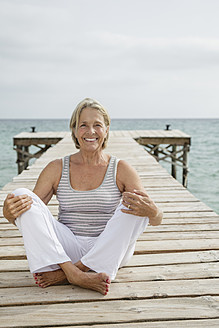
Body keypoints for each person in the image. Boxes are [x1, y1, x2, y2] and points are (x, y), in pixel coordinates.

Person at [3, 98, 163, 296]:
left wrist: (154, 212)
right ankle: (75, 273)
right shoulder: (57, 168)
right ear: (74, 130)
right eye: (83, 125)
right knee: (21, 195)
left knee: (136, 206)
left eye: (97, 125)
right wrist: (9, 213)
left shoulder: (121, 168)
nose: (91, 132)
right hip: (66, 248)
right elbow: (32, 216)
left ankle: (65, 274)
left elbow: (155, 219)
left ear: (106, 130)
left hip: (110, 248)